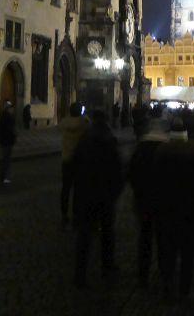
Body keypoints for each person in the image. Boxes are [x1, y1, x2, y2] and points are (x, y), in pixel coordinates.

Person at [153, 117, 194, 300]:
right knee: (188, 252)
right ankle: (185, 287)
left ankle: (168, 282)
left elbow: (155, 184)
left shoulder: (161, 154)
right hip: (190, 210)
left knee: (167, 249)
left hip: (166, 210)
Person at [72, 110, 123, 287]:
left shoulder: (85, 139)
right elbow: (118, 170)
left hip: (86, 194)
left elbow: (75, 165)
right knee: (107, 233)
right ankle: (107, 267)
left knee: (84, 235)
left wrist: (77, 191)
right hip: (105, 195)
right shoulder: (109, 140)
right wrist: (114, 193)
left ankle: (80, 273)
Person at [127, 113, 166, 287]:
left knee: (145, 238)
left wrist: (138, 192)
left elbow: (131, 174)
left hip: (143, 202)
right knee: (164, 239)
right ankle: (165, 274)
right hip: (163, 203)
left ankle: (143, 275)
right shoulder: (167, 150)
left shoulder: (140, 149)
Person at [59, 102, 89, 227]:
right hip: (78, 161)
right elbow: (89, 123)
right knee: (78, 190)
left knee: (65, 188)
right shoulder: (83, 123)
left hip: (66, 159)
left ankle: (64, 214)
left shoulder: (64, 122)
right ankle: (76, 214)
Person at [0, 101, 16, 184]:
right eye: (11, 108)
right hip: (7, 141)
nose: (12, 110)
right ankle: (5, 177)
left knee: (5, 159)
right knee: (6, 159)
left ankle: (3, 175)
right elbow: (9, 130)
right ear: (8, 109)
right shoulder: (7, 117)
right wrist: (13, 135)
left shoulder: (3, 116)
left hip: (4, 140)